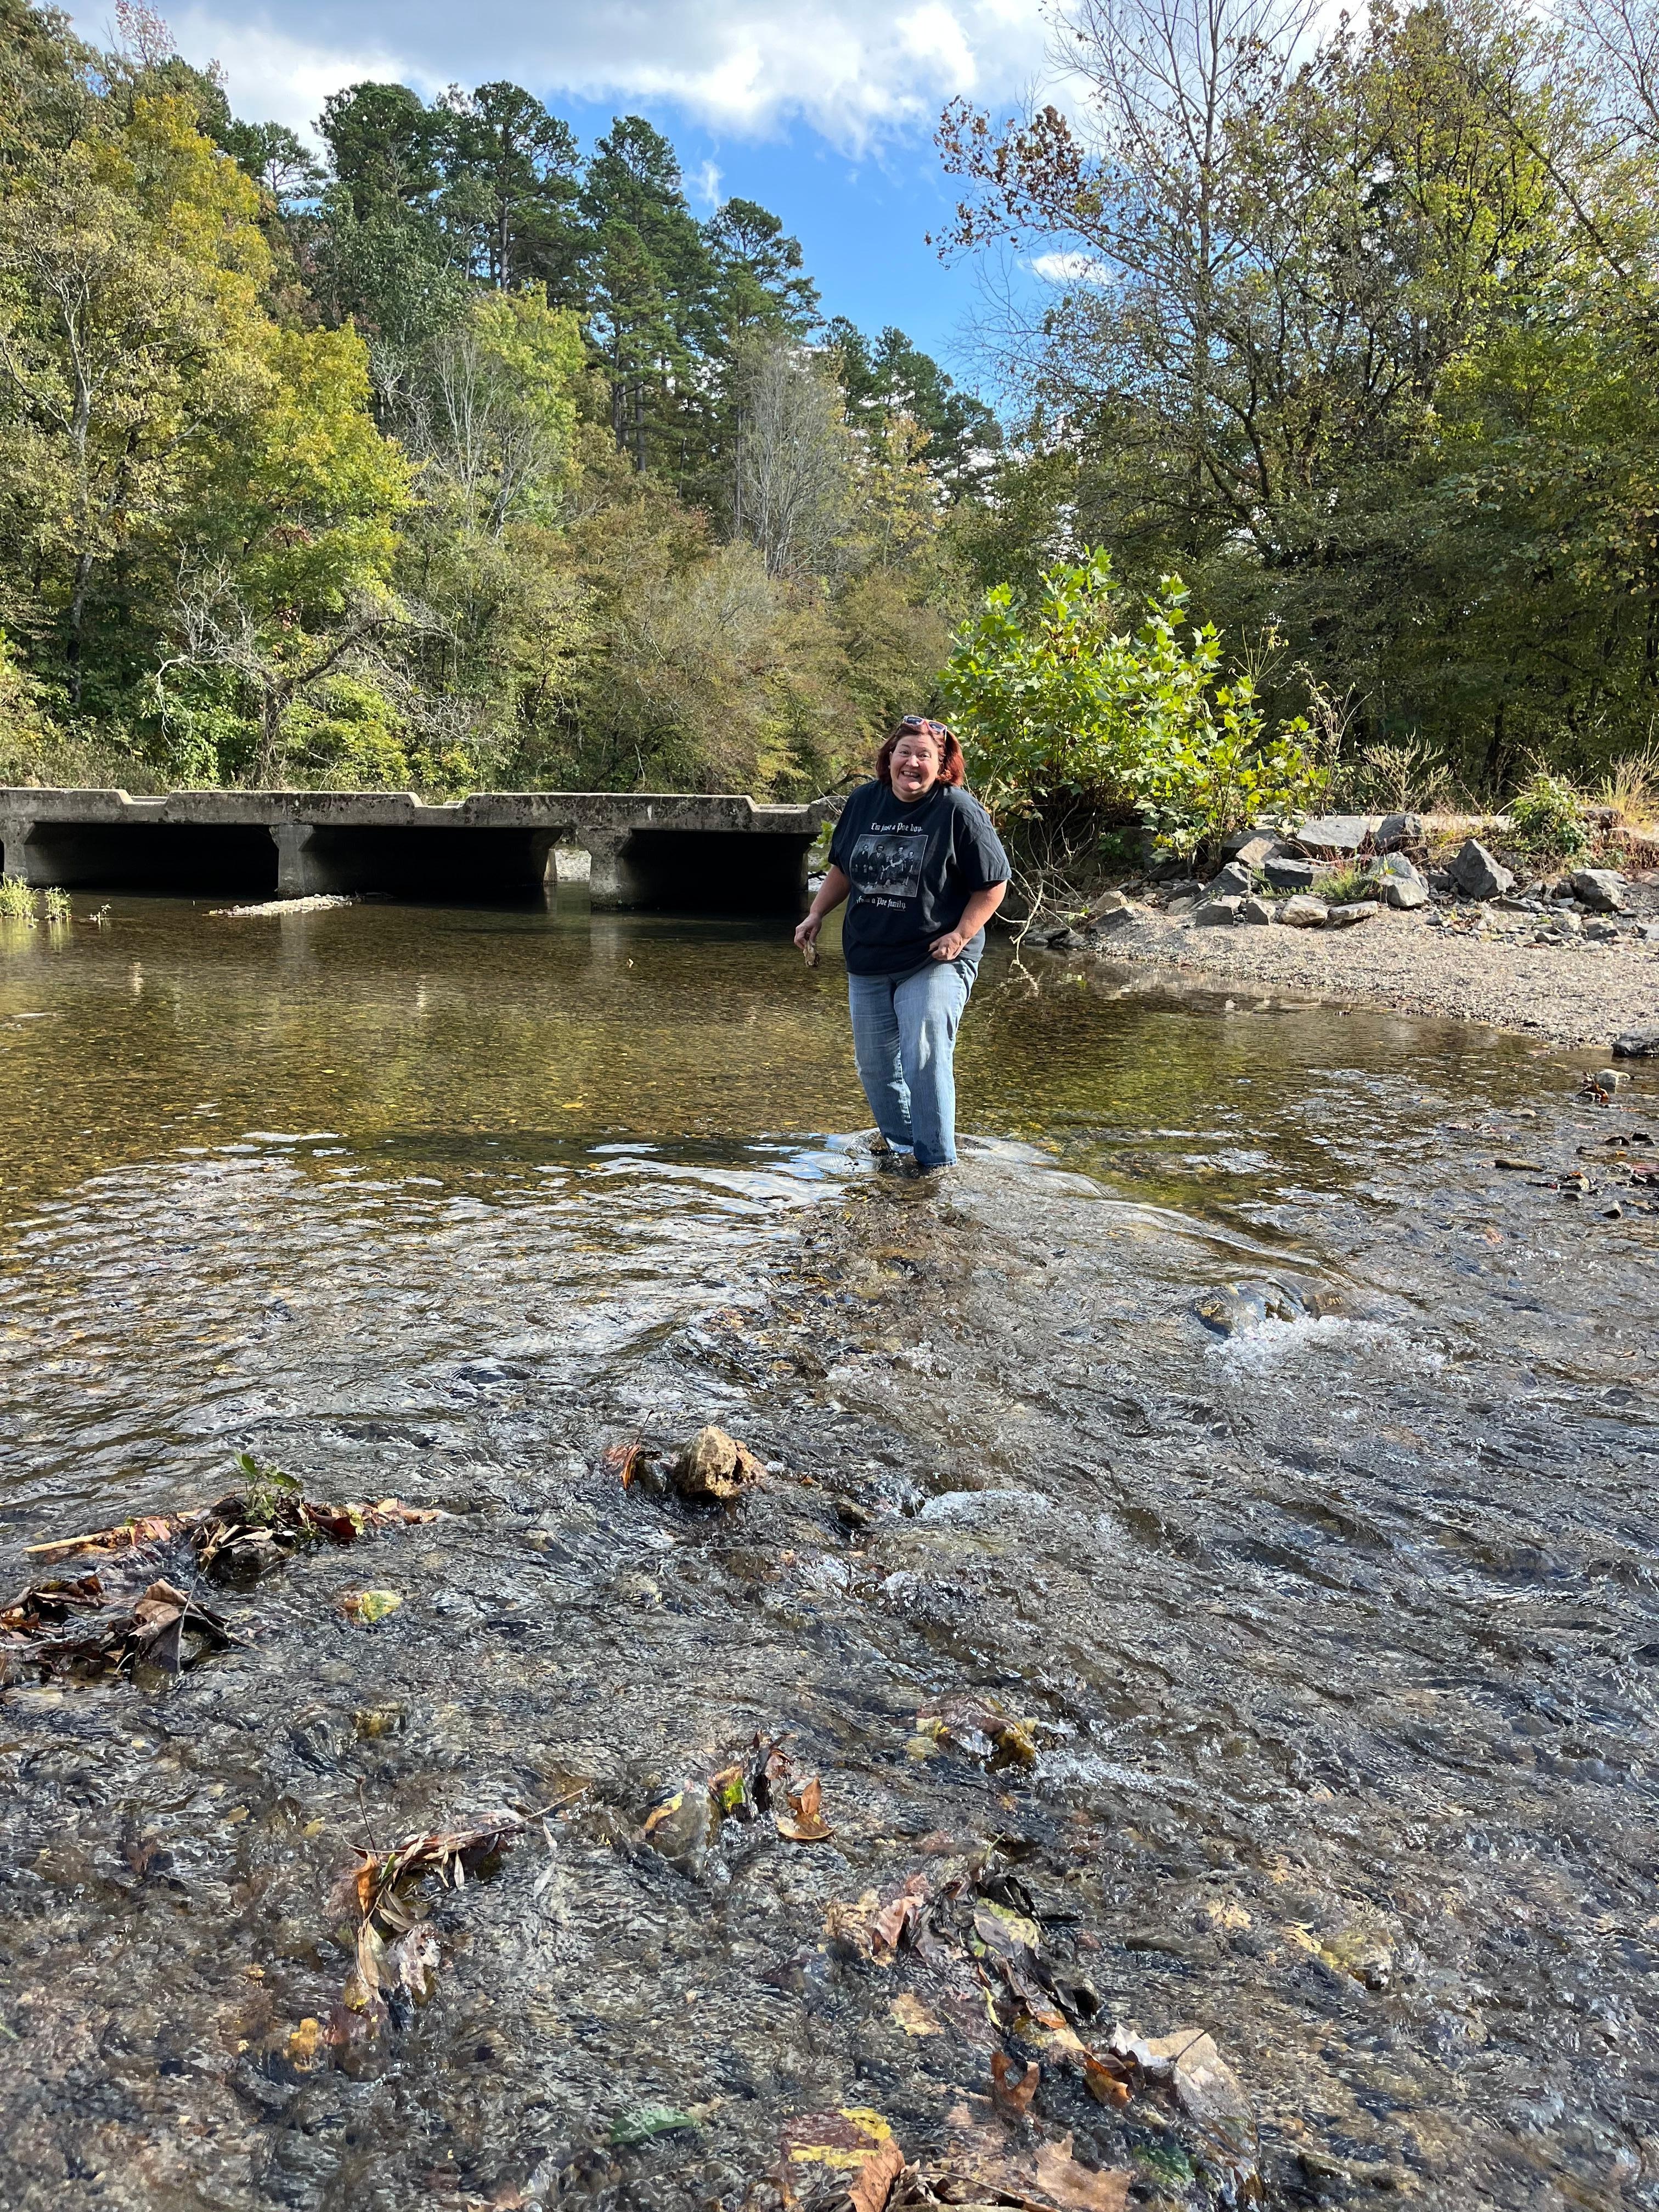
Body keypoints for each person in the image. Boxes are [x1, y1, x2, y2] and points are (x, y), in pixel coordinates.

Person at [794, 715, 1009, 1173]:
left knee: (924, 1056)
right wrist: (816, 913)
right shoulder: (863, 802)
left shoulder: (958, 811)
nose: (912, 763)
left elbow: (993, 884)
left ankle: (937, 1167)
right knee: (875, 1067)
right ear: (888, 758)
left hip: (935, 956)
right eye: (904, 752)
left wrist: (960, 935)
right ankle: (903, 1148)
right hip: (869, 955)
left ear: (943, 765)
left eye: (925, 756)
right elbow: (845, 868)